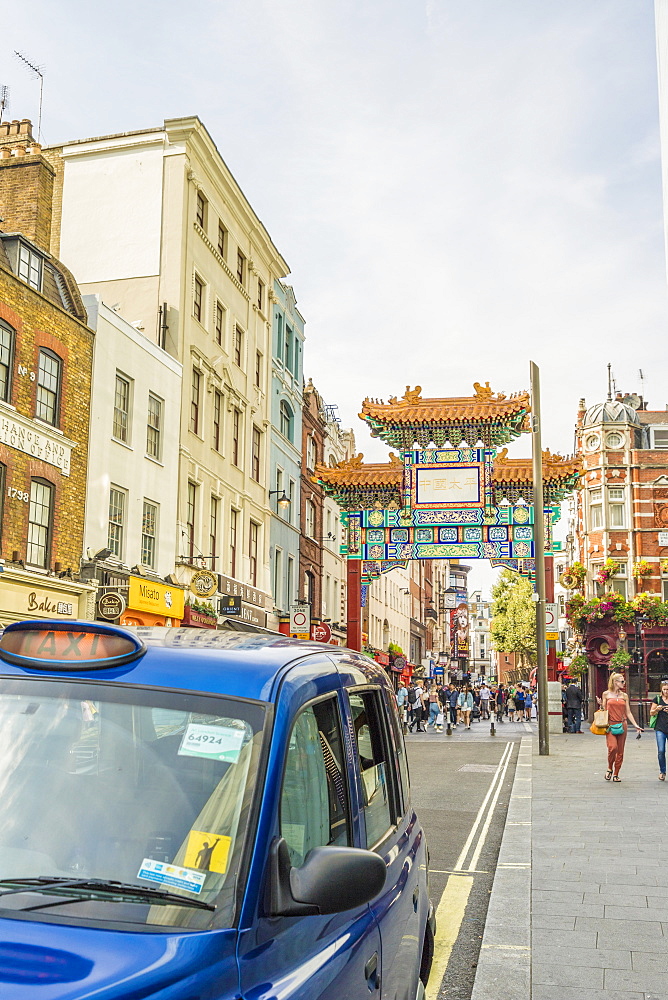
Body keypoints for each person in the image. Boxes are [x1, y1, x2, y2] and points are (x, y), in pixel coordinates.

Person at [601, 672, 643, 782]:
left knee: (620, 750)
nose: (624, 683)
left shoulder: (624, 696)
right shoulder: (606, 694)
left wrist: (635, 725)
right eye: (622, 681)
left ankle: (616, 773)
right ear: (615, 682)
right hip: (610, 724)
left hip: (622, 723)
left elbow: (628, 712)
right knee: (612, 748)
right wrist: (601, 704)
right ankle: (610, 767)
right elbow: (604, 710)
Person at [649, 679, 668, 780]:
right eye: (664, 689)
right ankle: (662, 771)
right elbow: (651, 713)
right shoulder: (657, 699)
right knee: (661, 750)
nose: (666, 692)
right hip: (660, 728)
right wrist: (657, 709)